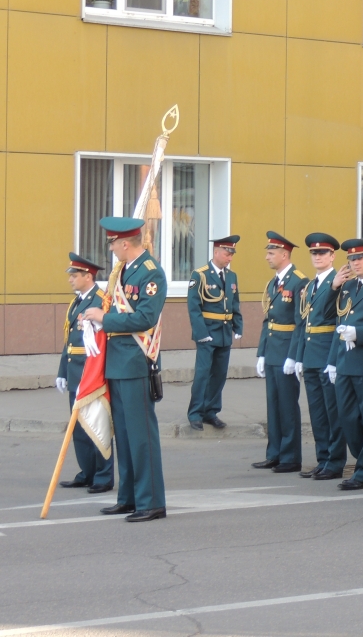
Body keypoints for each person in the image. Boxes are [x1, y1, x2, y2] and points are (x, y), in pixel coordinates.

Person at [82, 217, 167, 522]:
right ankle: (129, 497)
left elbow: (144, 317)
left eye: (113, 243)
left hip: (135, 361)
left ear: (125, 243)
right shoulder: (123, 272)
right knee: (126, 436)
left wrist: (104, 320)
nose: (111, 249)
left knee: (141, 435)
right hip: (117, 362)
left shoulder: (150, 272)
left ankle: (152, 501)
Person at [325, 240, 363, 490]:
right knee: (348, 418)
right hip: (344, 361)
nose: (355, 263)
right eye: (351, 259)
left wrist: (360, 334)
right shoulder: (347, 287)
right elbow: (328, 317)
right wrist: (333, 287)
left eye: (360, 258)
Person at [56, 253, 114, 494]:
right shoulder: (77, 302)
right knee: (79, 428)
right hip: (75, 373)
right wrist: (62, 371)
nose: (70, 279)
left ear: (88, 276)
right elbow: (69, 340)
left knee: (97, 425)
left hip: (92, 374)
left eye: (75, 275)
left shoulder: (101, 301)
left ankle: (103, 476)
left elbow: (103, 343)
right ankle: (87, 472)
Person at [253, 232, 307, 473]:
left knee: (287, 405)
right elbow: (269, 320)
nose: (266, 257)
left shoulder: (298, 281)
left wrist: (294, 356)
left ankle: (290, 457)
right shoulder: (274, 282)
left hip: (287, 351)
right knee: (273, 405)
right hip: (273, 350)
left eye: (271, 253)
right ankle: (274, 453)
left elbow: (299, 323)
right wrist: (262, 353)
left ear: (285, 254)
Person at [294, 233, 346, 480]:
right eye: (314, 253)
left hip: (327, 354)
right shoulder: (309, 285)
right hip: (311, 354)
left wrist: (333, 360)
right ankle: (323, 458)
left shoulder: (340, 283)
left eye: (322, 253)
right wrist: (298, 356)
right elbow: (302, 323)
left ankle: (335, 461)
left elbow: (334, 320)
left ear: (332, 256)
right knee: (316, 412)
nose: (317, 257)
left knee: (331, 411)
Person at [185, 236, 243, 432]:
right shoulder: (200, 275)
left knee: (219, 375)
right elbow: (194, 307)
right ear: (216, 252)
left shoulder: (232, 276)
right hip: (207, 332)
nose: (230, 258)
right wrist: (201, 333)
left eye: (232, 254)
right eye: (227, 253)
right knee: (202, 374)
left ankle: (211, 412)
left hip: (225, 332)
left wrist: (238, 326)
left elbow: (235, 303)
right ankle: (195, 413)